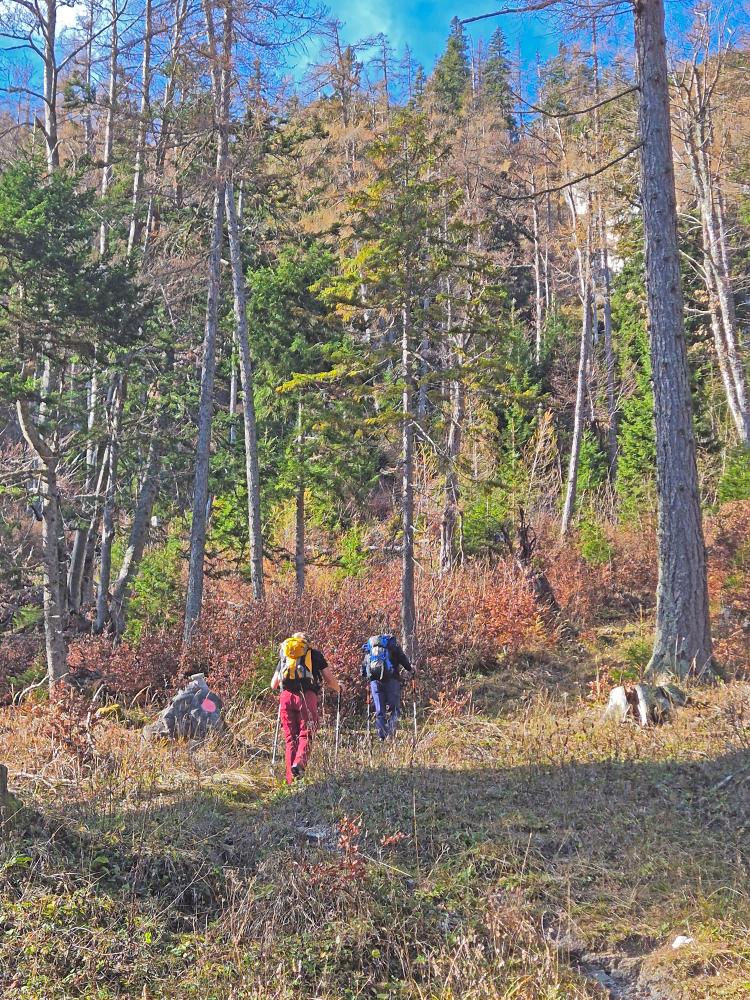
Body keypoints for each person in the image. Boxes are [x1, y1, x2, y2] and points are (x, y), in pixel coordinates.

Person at [271, 632, 342, 783]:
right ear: (307, 643)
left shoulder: (286, 654)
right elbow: (329, 679)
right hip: (306, 697)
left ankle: (290, 782)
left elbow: (273, 684)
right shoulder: (314, 655)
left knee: (291, 739)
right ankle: (300, 764)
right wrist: (338, 688)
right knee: (306, 734)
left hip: (286, 698)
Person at [361, 633, 412, 742]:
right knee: (395, 709)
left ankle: (382, 736)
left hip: (375, 682)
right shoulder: (393, 645)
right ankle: (391, 733)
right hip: (391, 680)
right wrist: (410, 669)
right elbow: (402, 659)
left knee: (380, 710)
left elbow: (364, 666)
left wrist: (366, 675)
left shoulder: (371, 648)